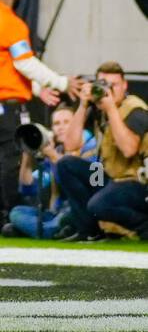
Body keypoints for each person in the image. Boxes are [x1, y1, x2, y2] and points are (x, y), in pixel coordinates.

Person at [0, 0, 80, 234]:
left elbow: (4, 66)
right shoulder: (10, 23)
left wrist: (34, 89)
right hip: (8, 107)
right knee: (11, 163)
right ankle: (12, 219)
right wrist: (61, 83)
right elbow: (25, 63)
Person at [54, 63, 148, 240]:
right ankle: (89, 231)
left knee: (99, 204)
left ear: (125, 85)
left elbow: (129, 150)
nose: (110, 90)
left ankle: (144, 227)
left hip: (136, 182)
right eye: (105, 85)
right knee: (65, 164)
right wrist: (83, 105)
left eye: (115, 85)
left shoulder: (135, 108)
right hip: (105, 176)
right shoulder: (98, 107)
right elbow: (70, 145)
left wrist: (111, 109)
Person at [7, 102, 97, 238]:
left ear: (78, 124)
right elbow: (29, 188)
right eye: (56, 124)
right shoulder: (57, 150)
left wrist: (53, 155)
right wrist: (27, 153)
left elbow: (96, 185)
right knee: (16, 212)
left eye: (66, 122)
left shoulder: (92, 147)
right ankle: (51, 229)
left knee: (64, 218)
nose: (61, 128)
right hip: (56, 212)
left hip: (80, 209)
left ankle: (40, 230)